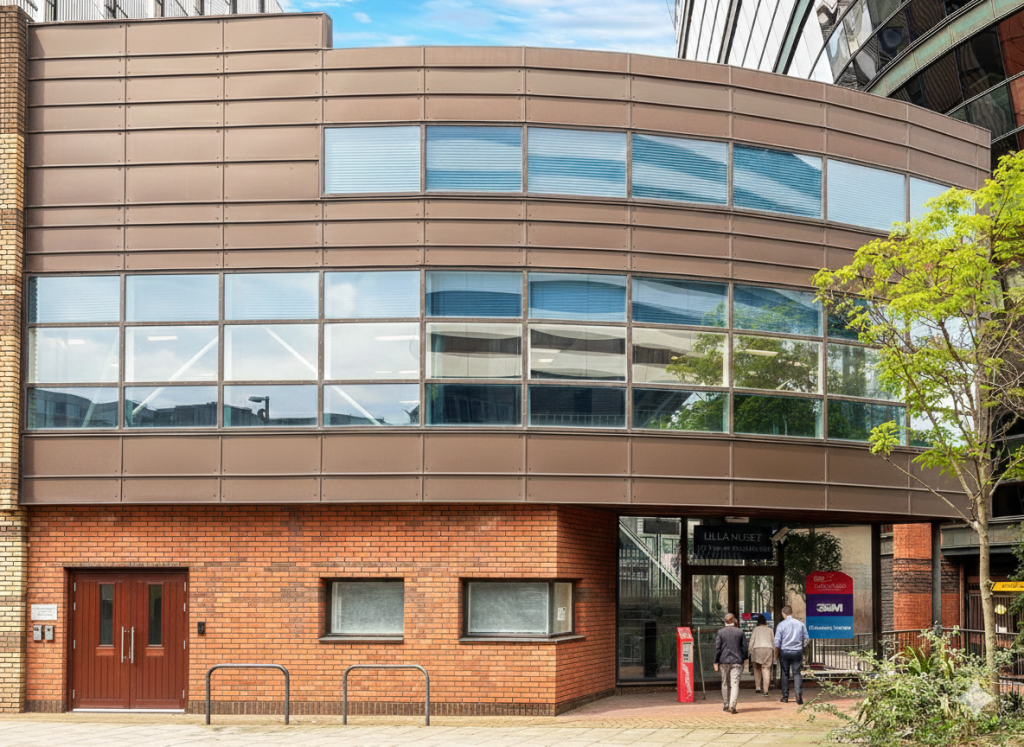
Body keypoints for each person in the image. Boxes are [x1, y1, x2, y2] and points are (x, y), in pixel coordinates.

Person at [713, 612, 748, 714]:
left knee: (724, 683)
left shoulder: (720, 632)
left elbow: (718, 648)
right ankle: (732, 706)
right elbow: (744, 648)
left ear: (725, 621)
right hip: (737, 661)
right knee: (734, 683)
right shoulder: (740, 632)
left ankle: (725, 705)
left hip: (723, 660)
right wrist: (744, 658)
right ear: (734, 620)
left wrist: (716, 661)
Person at [774, 605, 809, 705]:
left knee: (785, 673)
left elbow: (777, 642)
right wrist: (802, 646)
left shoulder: (781, 625)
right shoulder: (800, 624)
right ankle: (798, 694)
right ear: (791, 613)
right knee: (797, 673)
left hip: (785, 651)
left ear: (783, 613)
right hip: (797, 651)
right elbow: (806, 638)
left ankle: (785, 696)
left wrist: (779, 649)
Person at [748, 614, 775, 696]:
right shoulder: (770, 630)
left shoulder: (755, 629)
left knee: (756, 668)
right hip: (768, 649)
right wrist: (774, 654)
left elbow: (751, 642)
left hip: (757, 649)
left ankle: (758, 687)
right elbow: (773, 643)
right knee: (766, 669)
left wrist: (749, 652)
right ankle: (766, 690)